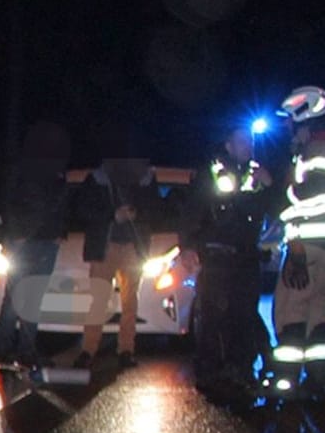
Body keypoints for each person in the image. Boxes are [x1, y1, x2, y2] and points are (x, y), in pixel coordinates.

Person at [180, 124, 273, 402]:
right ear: (229, 144)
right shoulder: (212, 172)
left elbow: (268, 210)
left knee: (244, 315)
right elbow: (192, 210)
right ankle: (210, 373)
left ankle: (241, 371)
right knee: (213, 317)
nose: (248, 146)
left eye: (250, 142)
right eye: (242, 141)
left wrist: (268, 186)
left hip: (246, 256)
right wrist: (186, 246)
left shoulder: (256, 173)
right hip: (217, 256)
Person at [73, 151, 162, 369]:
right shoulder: (97, 178)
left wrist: (136, 213)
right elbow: (82, 209)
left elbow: (155, 208)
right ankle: (88, 350)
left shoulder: (146, 178)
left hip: (133, 245)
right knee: (98, 300)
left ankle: (126, 350)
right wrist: (113, 215)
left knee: (130, 301)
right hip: (105, 244)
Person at [0, 121, 71, 369]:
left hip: (47, 241)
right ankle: (5, 348)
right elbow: (7, 202)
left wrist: (60, 232)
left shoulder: (58, 170)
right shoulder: (20, 168)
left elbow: (61, 203)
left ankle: (27, 350)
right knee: (15, 295)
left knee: (34, 296)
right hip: (23, 241)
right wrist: (15, 234)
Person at [270, 86, 325, 393]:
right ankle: (319, 380)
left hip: (307, 247)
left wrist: (287, 186)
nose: (287, 128)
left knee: (290, 313)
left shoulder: (314, 154)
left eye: (290, 121)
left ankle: (286, 381)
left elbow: (307, 196)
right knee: (319, 317)